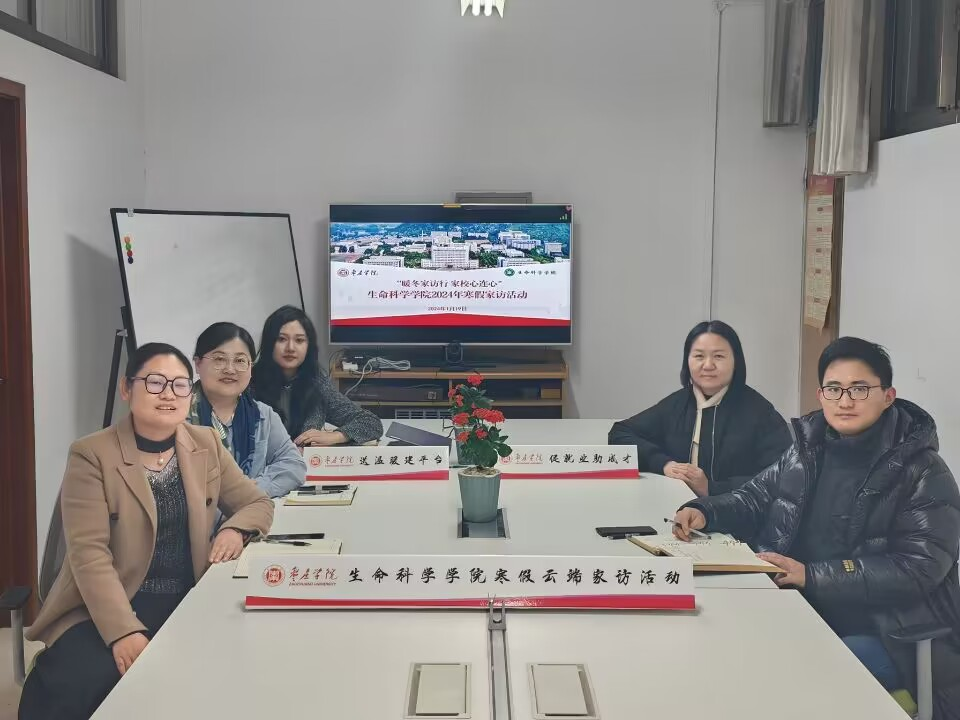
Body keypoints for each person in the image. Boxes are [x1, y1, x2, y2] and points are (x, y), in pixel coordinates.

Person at [673, 337, 960, 716]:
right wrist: (704, 510)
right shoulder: (808, 450)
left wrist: (812, 575)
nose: (845, 401)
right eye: (834, 389)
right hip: (800, 607)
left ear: (888, 396)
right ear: (820, 395)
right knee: (713, 646)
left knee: (775, 676)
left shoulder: (924, 472)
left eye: (860, 389)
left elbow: (918, 569)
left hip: (887, 633)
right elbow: (755, 496)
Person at [18, 343, 274, 720]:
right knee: (85, 683)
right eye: (155, 382)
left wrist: (235, 530)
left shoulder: (205, 443)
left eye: (180, 385)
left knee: (233, 671)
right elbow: (89, 554)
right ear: (127, 388)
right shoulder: (91, 454)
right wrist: (122, 631)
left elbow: (257, 503)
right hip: (107, 601)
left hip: (187, 598)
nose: (168, 394)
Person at [608, 320, 791, 495]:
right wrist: (665, 465)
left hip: (736, 513)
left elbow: (785, 475)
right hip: (675, 505)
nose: (708, 365)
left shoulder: (760, 413)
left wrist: (712, 488)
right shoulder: (677, 404)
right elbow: (620, 434)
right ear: (687, 361)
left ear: (736, 361)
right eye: (699, 356)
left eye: (719, 356)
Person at [188, 322, 306, 498]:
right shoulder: (177, 415)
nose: (230, 369)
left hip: (251, 509)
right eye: (219, 359)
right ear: (198, 364)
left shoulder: (263, 415)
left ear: (250, 367)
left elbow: (294, 465)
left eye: (240, 361)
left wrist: (252, 490)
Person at [251, 305, 382, 447]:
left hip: (306, 460)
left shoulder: (317, 382)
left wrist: (335, 436)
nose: (290, 348)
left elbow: (371, 423)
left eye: (299, 340)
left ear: (309, 346)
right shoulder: (249, 381)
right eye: (281, 339)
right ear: (269, 343)